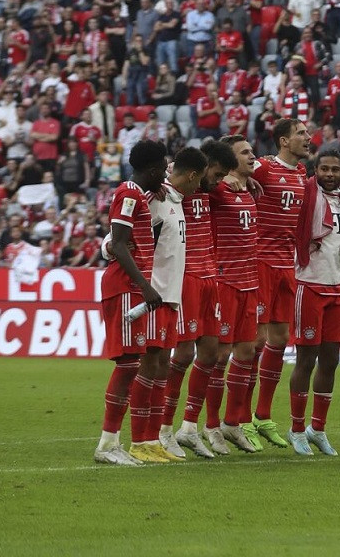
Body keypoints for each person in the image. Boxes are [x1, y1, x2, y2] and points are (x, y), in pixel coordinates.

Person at [93, 140, 170, 466]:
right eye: (163, 170)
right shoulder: (127, 195)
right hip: (125, 286)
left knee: (131, 365)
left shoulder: (138, 194)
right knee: (127, 365)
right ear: (152, 170)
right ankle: (107, 444)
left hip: (131, 287)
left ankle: (112, 442)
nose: (165, 175)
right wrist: (144, 286)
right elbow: (120, 245)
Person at [131, 147, 208, 461]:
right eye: (199, 180)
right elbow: (121, 238)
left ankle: (152, 441)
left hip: (171, 298)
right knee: (149, 366)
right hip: (154, 296)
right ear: (191, 176)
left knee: (161, 368)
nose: (199, 186)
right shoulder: (157, 201)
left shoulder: (176, 202)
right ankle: (140, 441)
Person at [162, 141, 237, 459]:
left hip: (211, 279)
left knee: (210, 352)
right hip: (186, 279)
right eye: (217, 174)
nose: (219, 181)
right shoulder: (174, 189)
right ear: (201, 168)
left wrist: (244, 180)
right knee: (182, 353)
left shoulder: (211, 190)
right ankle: (163, 430)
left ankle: (189, 428)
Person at [286, 147, 340, 457]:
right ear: (315, 171)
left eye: (335, 169)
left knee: (330, 360)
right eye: (324, 169)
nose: (330, 174)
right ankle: (297, 429)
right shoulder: (305, 194)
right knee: (305, 360)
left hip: (337, 287)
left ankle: (318, 428)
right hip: (309, 285)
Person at [249, 118, 311, 449]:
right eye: (301, 133)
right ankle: (239, 419)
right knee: (254, 341)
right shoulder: (261, 168)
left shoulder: (302, 175)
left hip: (287, 266)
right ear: (284, 141)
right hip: (259, 263)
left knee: (281, 339)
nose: (308, 137)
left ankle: (262, 415)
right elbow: (231, 179)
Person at [211, 137, 264, 454]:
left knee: (247, 352)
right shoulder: (218, 191)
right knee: (219, 357)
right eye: (244, 153)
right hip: (225, 283)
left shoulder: (250, 189)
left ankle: (232, 424)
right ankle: (211, 426)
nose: (252, 155)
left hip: (250, 284)